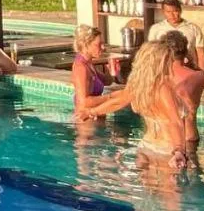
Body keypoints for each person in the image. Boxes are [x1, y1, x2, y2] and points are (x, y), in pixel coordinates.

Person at [82, 41, 191, 169]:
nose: (171, 63)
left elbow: (118, 102)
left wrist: (92, 112)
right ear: (161, 63)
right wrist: (179, 150)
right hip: (166, 149)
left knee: (148, 188)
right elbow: (175, 121)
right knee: (169, 190)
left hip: (146, 146)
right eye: (169, 60)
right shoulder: (163, 88)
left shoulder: (139, 85)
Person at [161, 30, 204, 148]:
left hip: (165, 138)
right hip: (189, 136)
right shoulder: (198, 76)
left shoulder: (158, 77)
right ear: (186, 51)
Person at [147, 0, 204, 70]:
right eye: (168, 12)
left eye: (175, 11)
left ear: (180, 10)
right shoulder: (156, 29)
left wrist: (202, 74)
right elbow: (151, 53)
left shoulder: (193, 28)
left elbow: (201, 53)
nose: (172, 15)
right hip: (165, 71)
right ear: (163, 12)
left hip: (189, 70)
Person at [71, 24, 109, 118]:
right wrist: (110, 98)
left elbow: (107, 81)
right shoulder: (81, 68)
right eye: (98, 44)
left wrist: (111, 70)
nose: (103, 47)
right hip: (87, 123)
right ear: (85, 45)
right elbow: (84, 102)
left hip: (94, 119)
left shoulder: (88, 64)